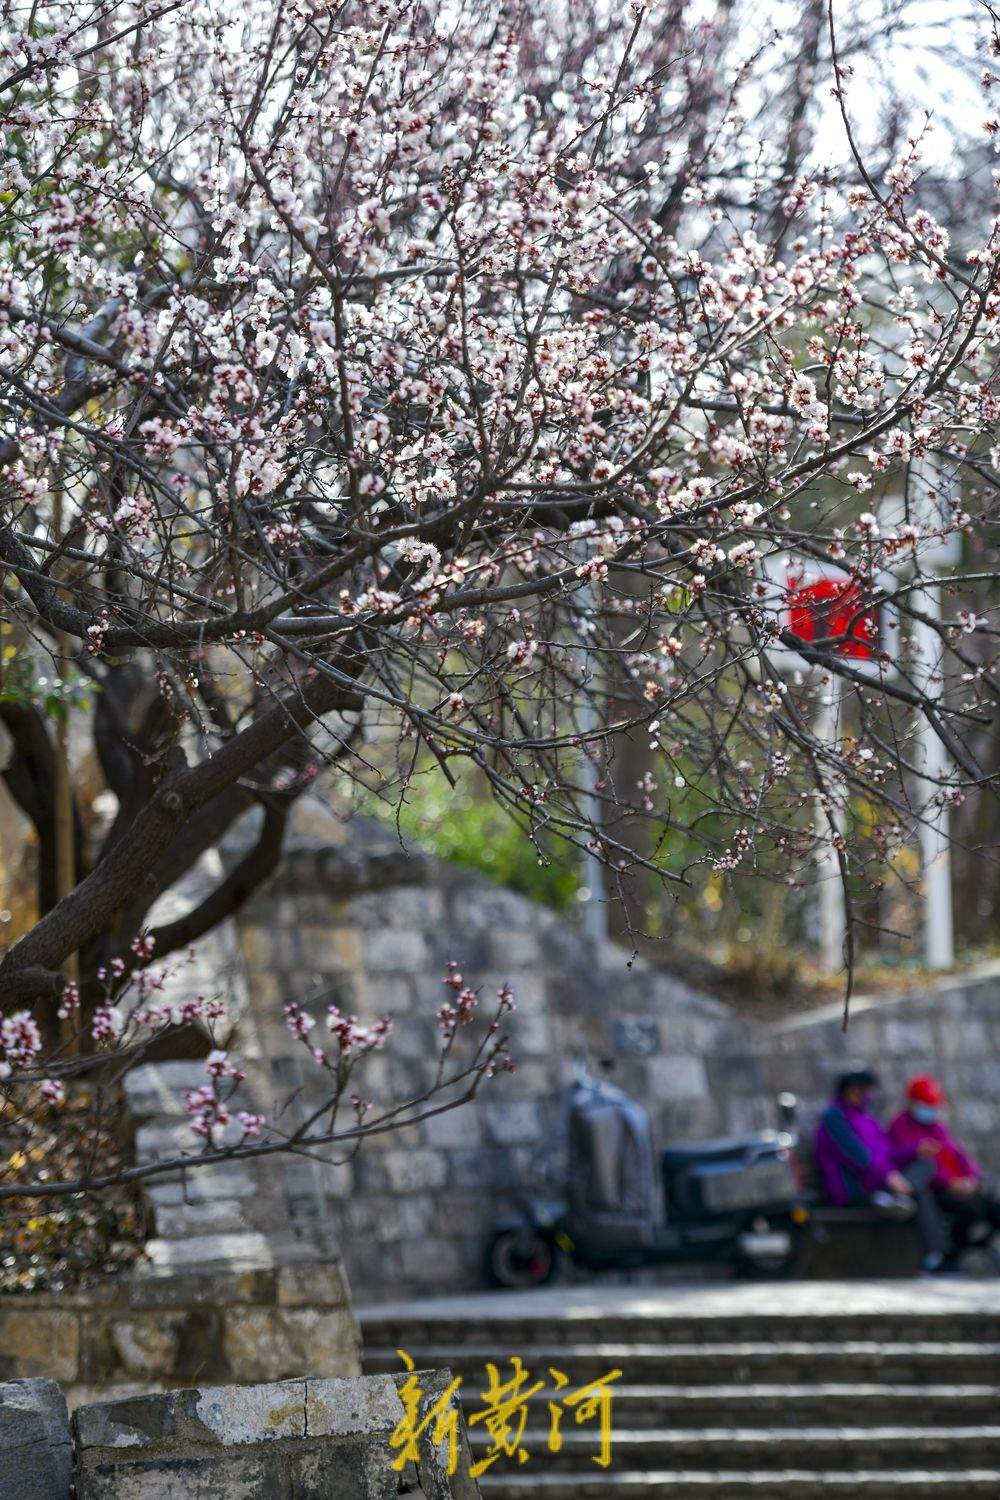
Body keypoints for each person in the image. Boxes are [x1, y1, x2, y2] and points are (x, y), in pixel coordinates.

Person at [815, 1066, 949, 1271]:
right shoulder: (835, 1118)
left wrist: (914, 1152)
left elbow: (888, 1155)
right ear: (849, 1091)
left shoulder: (868, 1120)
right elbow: (857, 1157)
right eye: (861, 1090)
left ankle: (903, 1199)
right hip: (856, 1187)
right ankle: (937, 1256)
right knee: (921, 1194)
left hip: (883, 1183)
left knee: (925, 1165)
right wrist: (888, 1177)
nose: (865, 1095)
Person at [889, 1075, 1000, 1269]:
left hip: (961, 1187)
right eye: (926, 1104)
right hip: (936, 1190)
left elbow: (961, 1156)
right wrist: (949, 1183)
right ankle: (951, 1255)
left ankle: (971, 1248)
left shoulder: (939, 1128)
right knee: (969, 1211)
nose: (931, 1110)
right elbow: (910, 1164)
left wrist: (972, 1178)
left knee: (993, 1209)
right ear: (913, 1102)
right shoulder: (901, 1125)